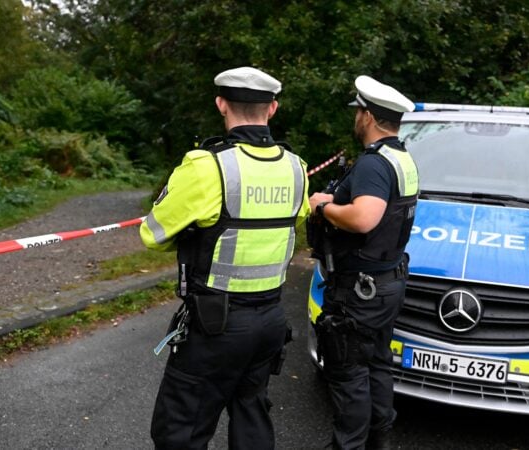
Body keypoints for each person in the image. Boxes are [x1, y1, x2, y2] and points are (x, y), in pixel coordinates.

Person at [140, 66, 310, 450]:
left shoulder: (207, 166)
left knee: (179, 431)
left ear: (221, 104)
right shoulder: (297, 168)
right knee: (251, 419)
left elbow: (153, 234)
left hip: (215, 325)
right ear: (273, 109)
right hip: (270, 320)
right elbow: (294, 220)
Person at [307, 75, 419, 450]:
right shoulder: (401, 157)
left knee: (348, 370)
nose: (355, 117)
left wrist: (324, 206)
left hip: (361, 289)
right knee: (376, 364)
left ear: (368, 116)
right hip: (385, 282)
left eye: (358, 111)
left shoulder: (373, 163)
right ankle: (377, 442)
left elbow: (365, 218)